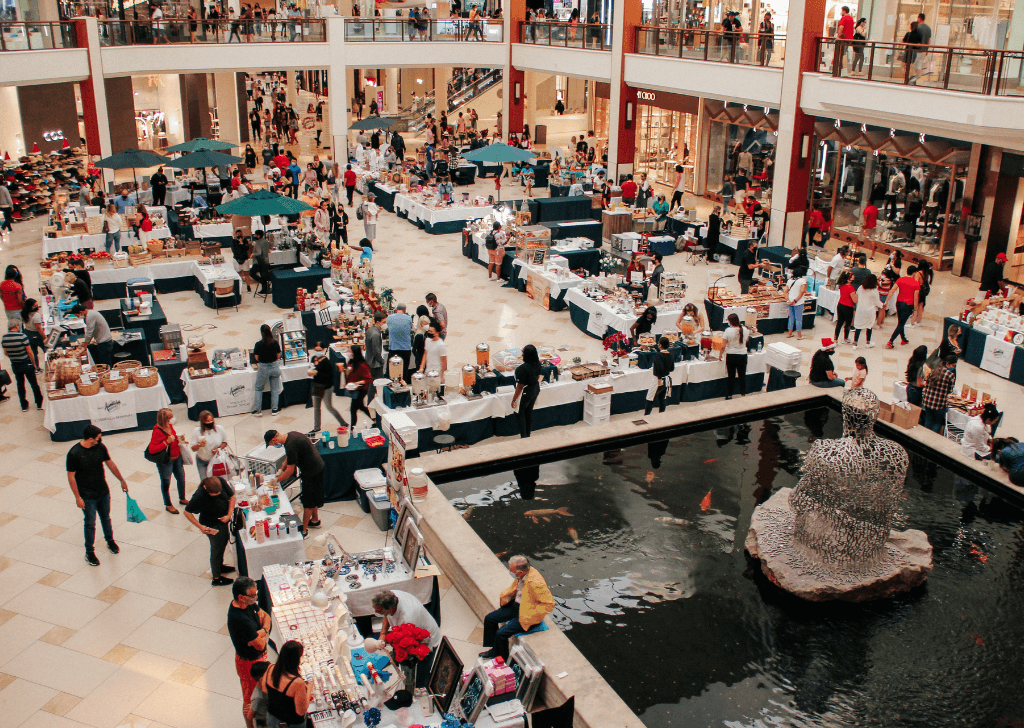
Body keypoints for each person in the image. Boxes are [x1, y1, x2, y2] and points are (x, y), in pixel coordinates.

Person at [67, 425, 128, 567]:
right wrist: (78, 497)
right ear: (90, 439)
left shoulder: (100, 447)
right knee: (90, 523)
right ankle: (89, 552)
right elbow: (71, 477)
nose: (100, 440)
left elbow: (110, 463)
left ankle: (110, 541)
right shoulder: (74, 453)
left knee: (106, 518)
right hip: (87, 496)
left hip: (103, 491)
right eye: (98, 438)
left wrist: (122, 480)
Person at [480, 555, 555, 660]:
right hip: (517, 605)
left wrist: (531, 615)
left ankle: (501, 658)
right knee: (489, 619)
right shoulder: (523, 575)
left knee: (501, 633)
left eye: (511, 570)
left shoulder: (536, 583)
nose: (510, 571)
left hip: (526, 614)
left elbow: (549, 604)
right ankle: (494, 650)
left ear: (520, 572)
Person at [371, 590, 441, 687]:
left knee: (422, 666)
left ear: (390, 608)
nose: (375, 613)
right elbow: (385, 615)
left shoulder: (407, 618)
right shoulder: (390, 596)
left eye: (378, 611)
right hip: (409, 632)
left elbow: (406, 644)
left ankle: (420, 688)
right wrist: (383, 633)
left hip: (426, 638)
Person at [228, 577, 270, 728]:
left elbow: (266, 616)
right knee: (251, 700)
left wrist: (260, 632)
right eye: (253, 596)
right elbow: (260, 645)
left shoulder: (248, 604)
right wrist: (265, 630)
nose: (256, 598)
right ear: (241, 597)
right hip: (249, 664)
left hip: (257, 659)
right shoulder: (239, 619)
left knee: (259, 695)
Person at [265, 430, 325, 536]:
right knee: (313, 496)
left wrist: (276, 481)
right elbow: (289, 457)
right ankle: (315, 521)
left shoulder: (290, 445)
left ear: (274, 439)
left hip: (311, 472)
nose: (273, 445)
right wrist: (280, 470)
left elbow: (290, 471)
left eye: (271, 444)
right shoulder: (291, 436)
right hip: (316, 466)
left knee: (308, 502)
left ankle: (304, 531)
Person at [184, 476, 236, 586]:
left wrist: (228, 514)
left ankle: (220, 566)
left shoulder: (220, 481)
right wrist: (200, 527)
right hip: (211, 524)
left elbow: (232, 496)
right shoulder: (199, 495)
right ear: (205, 488)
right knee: (216, 548)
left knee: (223, 542)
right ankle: (216, 578)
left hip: (223, 520)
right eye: (213, 494)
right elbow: (187, 512)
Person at [260, 640, 311, 728]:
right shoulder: (297, 682)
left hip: (272, 717)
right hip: (291, 723)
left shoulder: (270, 667)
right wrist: (309, 689)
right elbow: (301, 711)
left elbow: (264, 689)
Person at [148, 407, 188, 514]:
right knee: (166, 482)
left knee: (181, 478)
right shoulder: (157, 431)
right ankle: (168, 504)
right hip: (166, 461)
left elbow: (173, 438)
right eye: (170, 416)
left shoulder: (170, 426)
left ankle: (182, 497)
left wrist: (180, 439)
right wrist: (167, 442)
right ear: (164, 418)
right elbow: (152, 449)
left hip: (177, 457)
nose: (172, 418)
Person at [2, 320, 42, 410]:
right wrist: (34, 364)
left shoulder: (4, 338)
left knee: (20, 384)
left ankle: (24, 405)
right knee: (34, 384)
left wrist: (14, 357)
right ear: (16, 326)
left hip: (15, 364)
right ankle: (39, 403)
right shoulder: (22, 336)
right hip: (26, 363)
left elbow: (5, 352)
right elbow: (29, 351)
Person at [511, 344, 543, 438]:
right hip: (535, 389)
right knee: (528, 412)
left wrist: (514, 399)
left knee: (519, 413)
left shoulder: (522, 369)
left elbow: (520, 386)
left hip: (526, 392)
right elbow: (538, 377)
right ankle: (528, 434)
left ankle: (524, 436)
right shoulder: (538, 364)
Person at [251, 324, 283, 417]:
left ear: (261, 333)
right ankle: (274, 409)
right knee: (275, 389)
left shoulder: (258, 344)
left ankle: (258, 410)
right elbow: (278, 356)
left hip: (263, 367)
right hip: (274, 367)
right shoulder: (275, 342)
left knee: (258, 388)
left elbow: (256, 358)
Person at [886, 265, 920, 348]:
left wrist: (886, 301)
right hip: (908, 305)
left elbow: (892, 290)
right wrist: (916, 309)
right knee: (901, 323)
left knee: (901, 322)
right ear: (914, 273)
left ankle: (903, 339)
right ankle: (891, 341)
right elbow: (916, 297)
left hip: (899, 303)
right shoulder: (916, 283)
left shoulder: (900, 279)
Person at [921, 355, 957, 433]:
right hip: (939, 404)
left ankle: (924, 437)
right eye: (953, 365)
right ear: (948, 363)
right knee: (937, 423)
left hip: (928, 400)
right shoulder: (950, 375)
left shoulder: (934, 371)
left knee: (928, 420)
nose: (953, 367)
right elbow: (950, 390)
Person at [190, 410, 229, 481]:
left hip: (217, 460)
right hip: (203, 461)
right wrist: (199, 445)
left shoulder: (219, 429)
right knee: (205, 482)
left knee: (219, 481)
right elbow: (193, 448)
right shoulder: (197, 431)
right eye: (207, 421)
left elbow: (225, 441)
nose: (210, 422)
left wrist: (219, 449)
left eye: (211, 420)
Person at [344, 344, 374, 430]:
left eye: (350, 351)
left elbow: (368, 379)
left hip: (361, 389)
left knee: (353, 409)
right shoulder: (351, 362)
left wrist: (358, 383)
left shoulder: (362, 366)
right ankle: (374, 419)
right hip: (354, 388)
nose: (348, 353)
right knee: (361, 406)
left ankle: (352, 429)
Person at [719, 313, 748, 399]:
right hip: (742, 355)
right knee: (742, 375)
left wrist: (720, 355)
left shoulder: (728, 330)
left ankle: (730, 394)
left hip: (731, 355)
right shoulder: (745, 329)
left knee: (731, 376)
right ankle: (743, 394)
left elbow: (723, 346)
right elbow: (746, 339)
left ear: (730, 322)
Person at [645, 336, 675, 415]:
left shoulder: (658, 355)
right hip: (666, 379)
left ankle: (646, 415)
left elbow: (658, 368)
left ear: (660, 345)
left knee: (650, 398)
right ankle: (662, 415)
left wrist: (658, 378)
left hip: (658, 379)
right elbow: (672, 368)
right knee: (662, 399)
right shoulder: (671, 354)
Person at [852, 273, 881, 348]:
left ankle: (855, 344)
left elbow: (856, 296)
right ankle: (868, 343)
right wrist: (882, 305)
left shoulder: (861, 287)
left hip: (860, 310)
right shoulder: (874, 290)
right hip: (870, 311)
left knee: (858, 327)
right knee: (869, 326)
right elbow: (877, 302)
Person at [387, 303, 414, 380]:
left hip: (393, 348)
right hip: (406, 348)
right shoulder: (409, 318)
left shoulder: (389, 317)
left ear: (396, 310)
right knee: (404, 371)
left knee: (392, 371)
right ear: (405, 310)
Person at [834, 271, 856, 344]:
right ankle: (845, 338)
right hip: (848, 307)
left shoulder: (842, 286)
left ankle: (835, 339)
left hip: (840, 305)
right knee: (848, 323)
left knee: (839, 322)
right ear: (849, 279)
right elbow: (855, 300)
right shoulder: (851, 288)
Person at [786, 265, 808, 340]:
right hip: (798, 302)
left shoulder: (789, 281)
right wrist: (796, 300)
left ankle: (789, 333)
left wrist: (788, 300)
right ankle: (799, 335)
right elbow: (802, 291)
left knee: (791, 317)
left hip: (790, 300)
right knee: (798, 318)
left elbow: (785, 291)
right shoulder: (802, 281)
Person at [21, 298, 43, 371]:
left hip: (27, 332)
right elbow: (39, 328)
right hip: (36, 334)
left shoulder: (23, 313)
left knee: (33, 353)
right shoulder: (36, 316)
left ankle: (36, 367)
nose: (37, 307)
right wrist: (45, 337)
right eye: (35, 306)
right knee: (47, 348)